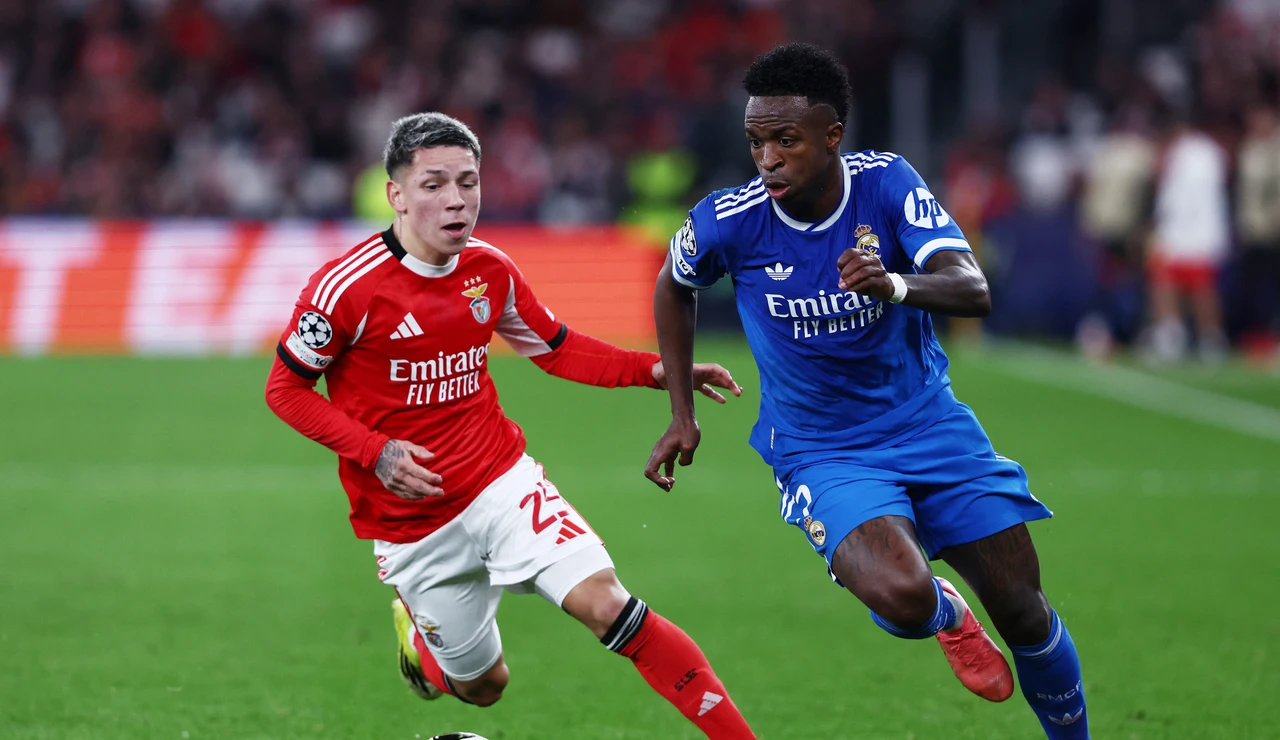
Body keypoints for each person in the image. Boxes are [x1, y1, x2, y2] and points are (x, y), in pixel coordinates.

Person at [644, 44, 1088, 738]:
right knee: (907, 599)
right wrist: (681, 411)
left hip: (928, 424)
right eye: (756, 141)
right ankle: (945, 613)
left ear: (832, 136)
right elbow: (674, 286)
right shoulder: (728, 219)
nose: (767, 159)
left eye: (785, 141)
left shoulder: (886, 185)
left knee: (1026, 609)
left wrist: (895, 284)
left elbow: (973, 289)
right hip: (823, 449)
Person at [265, 112, 756, 740]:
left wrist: (653, 369)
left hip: (500, 481)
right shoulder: (345, 290)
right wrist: (376, 451)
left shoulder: (489, 270)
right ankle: (422, 646)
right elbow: (285, 389)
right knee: (483, 687)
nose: (456, 200)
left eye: (468, 182)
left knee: (608, 605)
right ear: (396, 195)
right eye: (434, 184)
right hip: (410, 521)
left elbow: (554, 346)